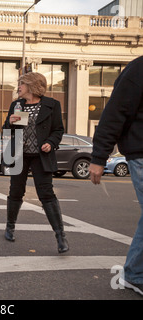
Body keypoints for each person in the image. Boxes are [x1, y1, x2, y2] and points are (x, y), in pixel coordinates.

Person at [89, 56, 143, 297]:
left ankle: (134, 273)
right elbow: (115, 112)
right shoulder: (139, 69)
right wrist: (99, 157)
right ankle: (133, 275)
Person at [2, 72, 69, 254]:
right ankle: (10, 227)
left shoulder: (51, 105)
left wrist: (51, 143)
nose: (18, 88)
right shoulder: (17, 105)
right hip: (19, 155)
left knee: (46, 193)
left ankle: (60, 236)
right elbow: (6, 133)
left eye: (21, 85)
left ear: (31, 86)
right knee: (16, 191)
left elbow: (58, 130)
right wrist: (9, 122)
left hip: (41, 156)